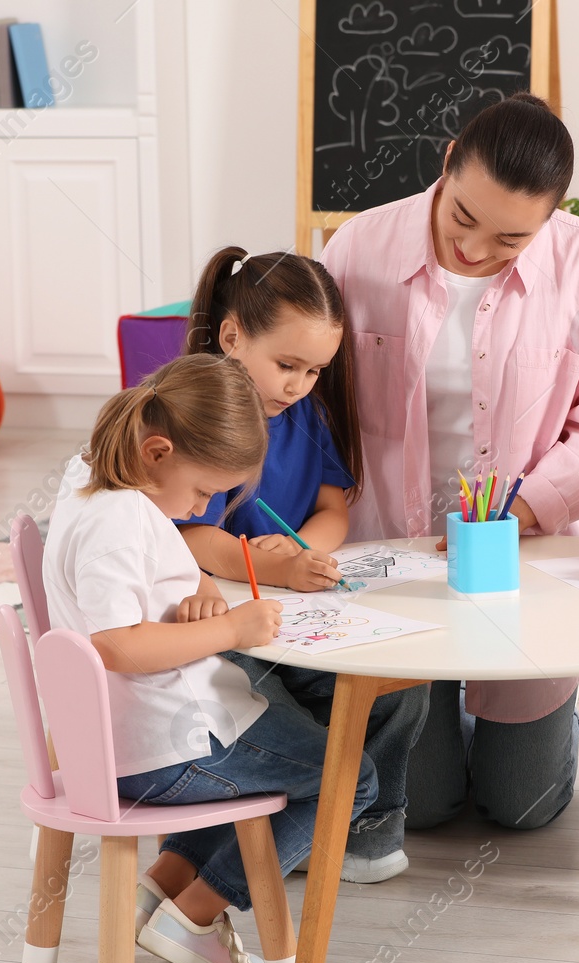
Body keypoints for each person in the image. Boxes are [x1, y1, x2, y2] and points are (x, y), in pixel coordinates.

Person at [320, 92, 579, 832]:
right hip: (394, 556)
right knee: (425, 807)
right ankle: (434, 724)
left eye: (510, 239)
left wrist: (516, 513)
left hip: (521, 554)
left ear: (552, 217)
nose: (473, 249)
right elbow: (312, 404)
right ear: (446, 167)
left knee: (522, 805)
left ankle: (512, 734)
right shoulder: (357, 249)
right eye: (463, 218)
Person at [42, 352, 380, 963]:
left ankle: (164, 886)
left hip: (132, 737)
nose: (202, 506)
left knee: (276, 743)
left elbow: (145, 583)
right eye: (203, 492)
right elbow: (116, 643)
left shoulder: (92, 482)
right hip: (170, 745)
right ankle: (194, 916)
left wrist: (197, 595)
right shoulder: (119, 520)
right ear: (159, 452)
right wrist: (227, 628)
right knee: (352, 777)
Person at [175, 248, 429, 884]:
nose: (299, 385)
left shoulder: (304, 416)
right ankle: (272, 829)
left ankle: (368, 828)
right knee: (270, 709)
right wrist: (262, 565)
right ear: (232, 337)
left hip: (294, 601)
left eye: (315, 371)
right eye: (287, 365)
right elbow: (184, 534)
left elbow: (333, 506)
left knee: (400, 685)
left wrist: (306, 551)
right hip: (227, 620)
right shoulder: (190, 411)